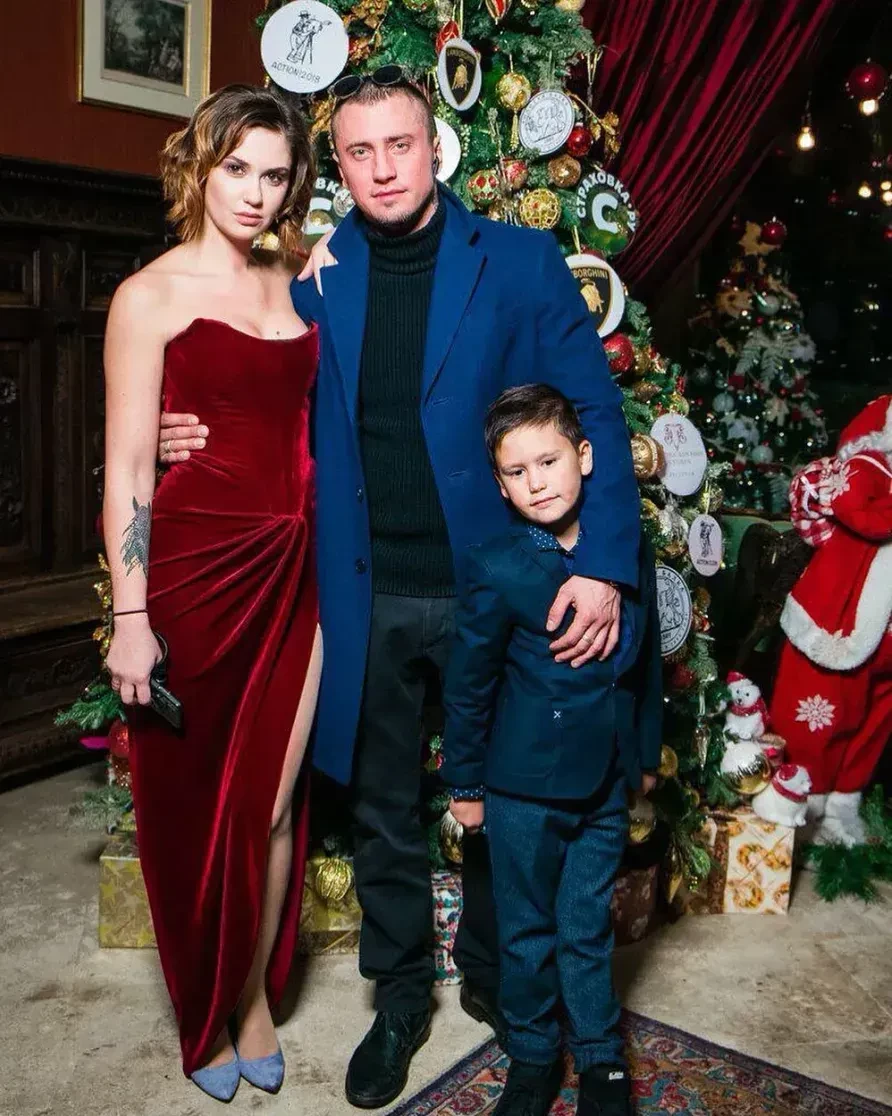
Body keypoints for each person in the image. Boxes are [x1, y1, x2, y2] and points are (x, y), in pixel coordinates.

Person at [158, 68, 641, 1110]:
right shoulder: (311, 276)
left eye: (400, 145)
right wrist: (179, 429)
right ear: (338, 164)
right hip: (361, 587)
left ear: (435, 149)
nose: (382, 168)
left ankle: (502, 982)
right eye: (360, 151)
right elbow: (245, 379)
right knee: (381, 806)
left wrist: (601, 563)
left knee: (504, 798)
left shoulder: (518, 261)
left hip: (499, 590)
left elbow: (596, 415)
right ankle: (403, 994)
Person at [103, 84, 322, 1102]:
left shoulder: (300, 274)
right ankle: (211, 1012)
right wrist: (131, 617)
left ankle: (252, 999)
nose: (254, 192)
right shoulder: (148, 296)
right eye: (236, 167)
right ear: (198, 165)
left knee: (272, 802)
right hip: (195, 574)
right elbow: (127, 473)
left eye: (274, 174)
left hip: (300, 573)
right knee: (199, 809)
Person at [441, 385, 660, 1116]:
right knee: (528, 934)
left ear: (585, 456)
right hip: (522, 790)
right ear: (500, 483)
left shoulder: (624, 553)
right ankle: (534, 1056)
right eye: (517, 471)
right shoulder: (497, 564)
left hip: (604, 784)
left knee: (585, 927)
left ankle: (600, 1058)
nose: (536, 482)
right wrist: (465, 783)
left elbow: (644, 667)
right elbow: (469, 684)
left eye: (549, 461)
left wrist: (644, 757)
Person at [770, 394, 892, 846]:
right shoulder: (866, 467)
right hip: (838, 622)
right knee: (818, 715)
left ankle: (843, 808)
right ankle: (804, 805)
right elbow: (859, 511)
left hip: (885, 632)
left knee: (873, 722)